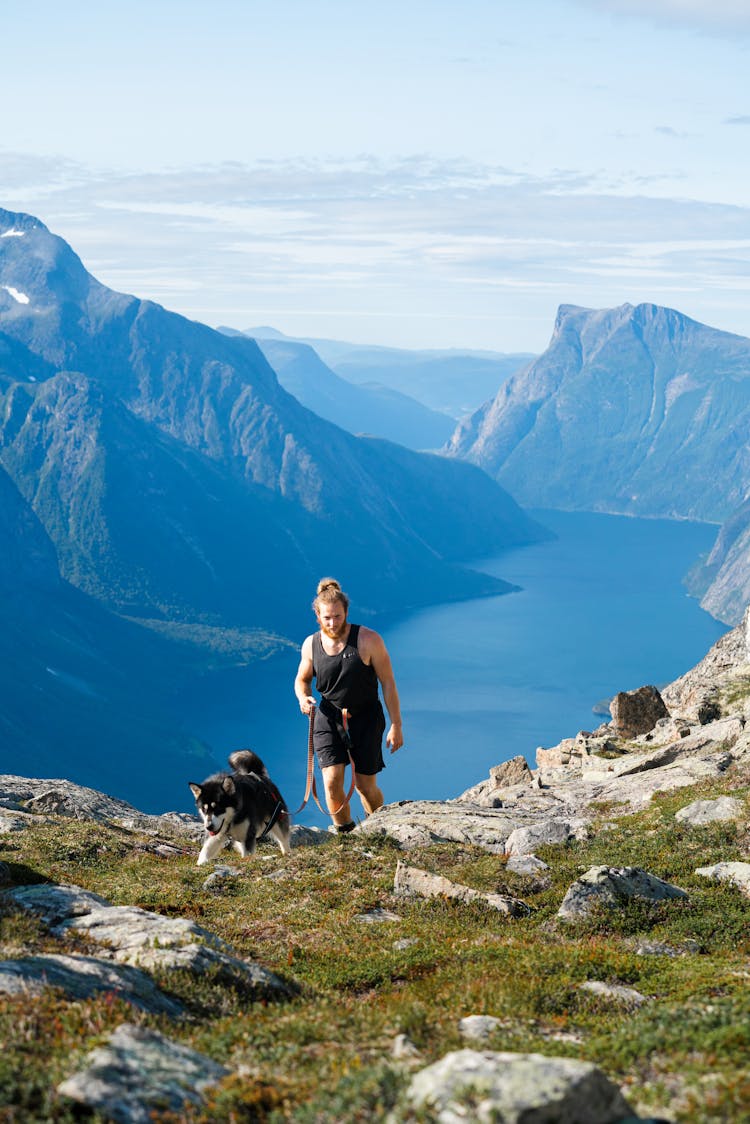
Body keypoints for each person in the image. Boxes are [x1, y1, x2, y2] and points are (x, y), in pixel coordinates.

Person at [294, 577, 404, 833]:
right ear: (317, 616)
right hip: (328, 717)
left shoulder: (368, 640)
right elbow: (301, 680)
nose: (333, 623)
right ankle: (345, 834)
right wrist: (303, 697)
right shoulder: (311, 644)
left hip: (366, 718)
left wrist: (396, 725)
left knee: (366, 786)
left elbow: (388, 683)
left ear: (346, 613)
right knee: (331, 783)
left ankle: (376, 826)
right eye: (327, 618)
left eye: (337, 616)